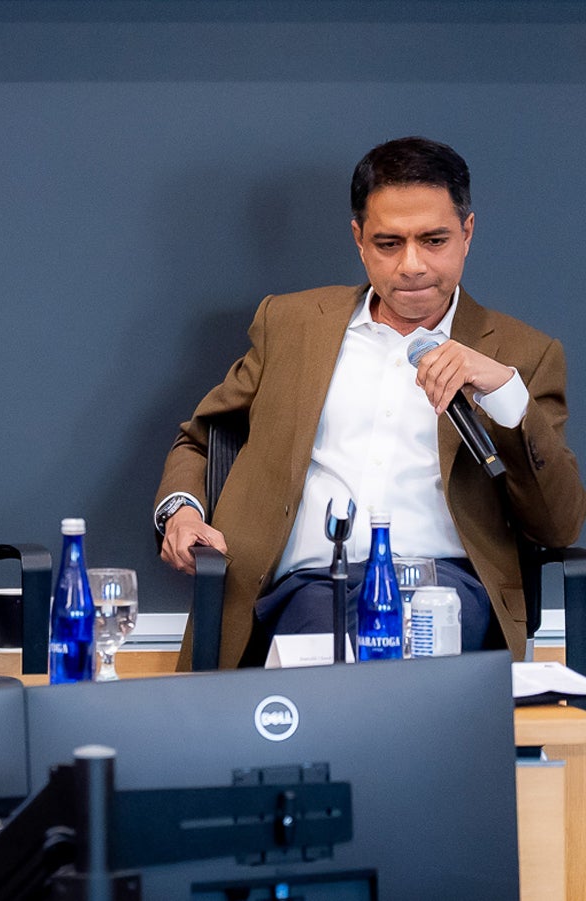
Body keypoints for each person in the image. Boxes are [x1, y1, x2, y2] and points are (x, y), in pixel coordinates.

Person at [155, 136, 586, 668]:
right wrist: (181, 512)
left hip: (443, 587)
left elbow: (559, 525)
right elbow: (201, 438)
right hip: (311, 587)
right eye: (388, 244)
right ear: (359, 240)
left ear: (467, 233)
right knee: (334, 663)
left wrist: (503, 393)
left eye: (434, 240)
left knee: (416, 662)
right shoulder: (291, 325)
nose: (412, 266)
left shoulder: (524, 354)